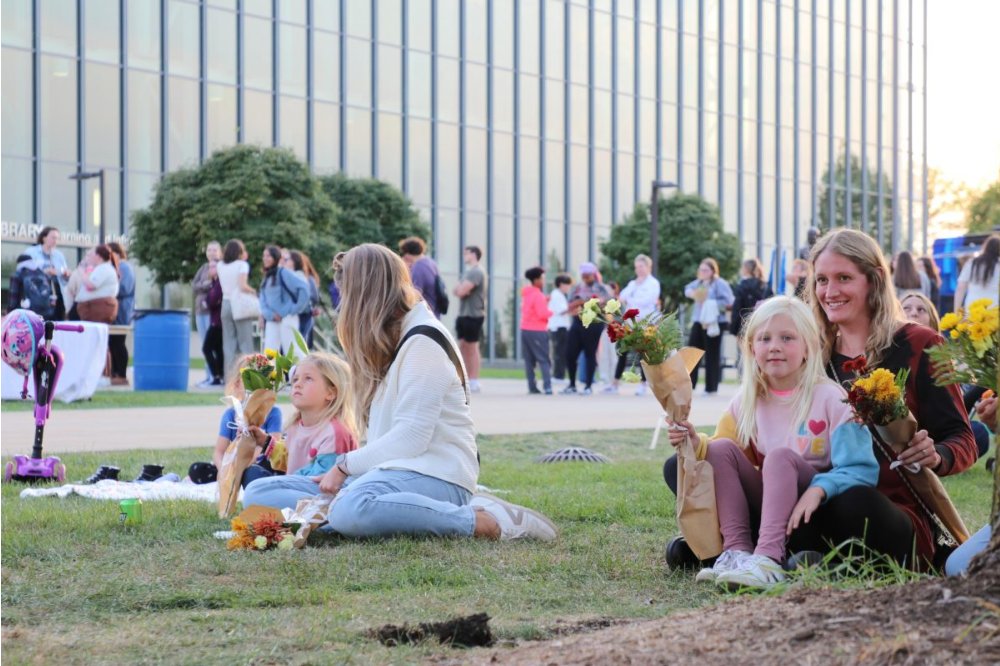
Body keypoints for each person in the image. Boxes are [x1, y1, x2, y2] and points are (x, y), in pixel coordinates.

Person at [241, 243, 557, 541]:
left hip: (437, 475)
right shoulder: (396, 341)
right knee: (260, 492)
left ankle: (483, 519)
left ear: (367, 296)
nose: (343, 306)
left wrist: (343, 466)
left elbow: (412, 437)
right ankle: (341, 513)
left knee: (351, 507)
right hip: (387, 473)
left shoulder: (424, 342)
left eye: (347, 295)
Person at [667, 297, 879, 589]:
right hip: (771, 502)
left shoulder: (833, 398)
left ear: (808, 347)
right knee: (718, 448)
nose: (774, 346)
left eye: (787, 338)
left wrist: (820, 488)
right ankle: (737, 553)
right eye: (764, 338)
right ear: (752, 348)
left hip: (818, 507)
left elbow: (862, 468)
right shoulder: (747, 400)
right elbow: (724, 459)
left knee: (779, 457)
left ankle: (767, 559)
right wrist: (693, 440)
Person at [806, 228, 977, 569]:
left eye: (843, 278)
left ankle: (813, 555)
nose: (830, 291)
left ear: (874, 279)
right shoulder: (811, 354)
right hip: (816, 495)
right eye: (821, 280)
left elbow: (963, 440)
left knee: (855, 503)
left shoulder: (921, 343)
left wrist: (937, 454)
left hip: (894, 511)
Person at [242, 353, 359, 489]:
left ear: (331, 393)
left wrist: (283, 483)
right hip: (294, 488)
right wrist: (265, 441)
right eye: (295, 379)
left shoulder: (335, 433)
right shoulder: (295, 425)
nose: (297, 384)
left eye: (308, 378)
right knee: (252, 474)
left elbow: (322, 479)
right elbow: (291, 459)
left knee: (257, 488)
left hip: (318, 496)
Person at [210, 354, 285, 484]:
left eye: (263, 380)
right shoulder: (230, 414)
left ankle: (246, 479)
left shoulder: (273, 413)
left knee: (256, 472)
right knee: (197, 470)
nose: (258, 386)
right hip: (233, 464)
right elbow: (219, 451)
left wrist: (242, 468)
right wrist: (224, 470)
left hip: (260, 463)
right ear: (238, 384)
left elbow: (272, 445)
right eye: (251, 380)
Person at [684, 258, 734, 396]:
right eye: (701, 270)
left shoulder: (719, 283)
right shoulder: (698, 283)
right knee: (692, 352)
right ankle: (689, 385)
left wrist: (711, 302)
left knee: (712, 354)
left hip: (714, 322)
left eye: (706, 270)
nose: (702, 272)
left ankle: (711, 388)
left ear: (713, 271)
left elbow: (729, 301)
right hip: (699, 320)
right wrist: (692, 293)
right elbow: (687, 289)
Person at [561, 263, 613, 396]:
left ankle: (588, 385)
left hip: (593, 324)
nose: (585, 277)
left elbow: (607, 304)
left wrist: (587, 302)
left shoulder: (601, 288)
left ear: (593, 274)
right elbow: (571, 303)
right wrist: (575, 306)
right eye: (583, 275)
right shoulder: (577, 287)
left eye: (588, 275)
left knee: (590, 353)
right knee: (569, 353)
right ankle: (572, 384)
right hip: (578, 322)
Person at [614, 255, 662, 396]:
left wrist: (632, 300)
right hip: (630, 323)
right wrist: (632, 299)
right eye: (637, 267)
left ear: (648, 267)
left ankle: (643, 384)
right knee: (622, 350)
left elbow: (648, 300)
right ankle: (615, 383)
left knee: (643, 353)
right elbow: (622, 297)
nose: (639, 270)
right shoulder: (633, 283)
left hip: (645, 323)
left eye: (641, 267)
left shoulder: (653, 283)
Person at [258, 245, 308, 355]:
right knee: (270, 354)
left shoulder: (283, 273)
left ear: (275, 257)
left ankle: (301, 372)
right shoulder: (266, 277)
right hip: (272, 320)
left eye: (269, 256)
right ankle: (271, 373)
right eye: (264, 256)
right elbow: (262, 301)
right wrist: (270, 315)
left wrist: (293, 309)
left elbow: (304, 288)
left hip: (287, 318)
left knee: (292, 351)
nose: (265, 258)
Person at [218, 239, 258, 375]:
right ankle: (248, 376)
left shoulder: (220, 265)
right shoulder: (242, 265)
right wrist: (254, 291)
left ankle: (230, 378)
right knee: (245, 342)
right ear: (239, 252)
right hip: (239, 305)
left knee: (229, 343)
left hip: (225, 304)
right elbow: (242, 286)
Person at [453, 246, 487, 394]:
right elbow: (456, 290)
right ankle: (464, 378)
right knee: (462, 347)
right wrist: (460, 289)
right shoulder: (469, 272)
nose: (464, 256)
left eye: (466, 253)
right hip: (464, 314)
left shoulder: (476, 272)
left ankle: (473, 380)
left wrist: (461, 289)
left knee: (472, 348)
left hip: (474, 315)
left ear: (474, 254)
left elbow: (460, 291)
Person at [519, 266, 553, 395]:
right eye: (542, 278)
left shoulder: (527, 294)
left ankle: (532, 387)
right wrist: (553, 312)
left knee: (529, 361)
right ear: (536, 279)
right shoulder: (538, 295)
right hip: (537, 331)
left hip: (525, 330)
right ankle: (547, 386)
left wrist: (545, 300)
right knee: (544, 359)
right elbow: (542, 313)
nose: (543, 281)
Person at [193, 241, 222, 386]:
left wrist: (205, 286)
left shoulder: (221, 267)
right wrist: (205, 285)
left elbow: (214, 287)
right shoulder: (204, 268)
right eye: (209, 249)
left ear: (220, 252)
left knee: (210, 345)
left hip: (212, 313)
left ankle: (215, 375)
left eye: (214, 250)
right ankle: (208, 375)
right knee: (204, 344)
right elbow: (194, 285)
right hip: (200, 311)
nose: (211, 252)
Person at [25, 226, 71, 318]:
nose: (55, 241)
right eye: (53, 237)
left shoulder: (59, 255)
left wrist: (66, 274)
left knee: (57, 323)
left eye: (57, 238)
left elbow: (65, 278)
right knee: (39, 322)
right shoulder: (31, 252)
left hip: (57, 293)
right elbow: (24, 272)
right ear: (44, 238)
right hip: (38, 293)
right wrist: (44, 272)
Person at [107, 242, 135, 386]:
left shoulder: (125, 267)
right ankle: (115, 373)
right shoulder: (116, 267)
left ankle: (122, 374)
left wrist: (111, 286)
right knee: (112, 343)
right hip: (115, 310)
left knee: (118, 342)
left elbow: (125, 288)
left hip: (122, 310)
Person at [398, 236, 444, 318]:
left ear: (408, 253)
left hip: (424, 315)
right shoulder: (431, 263)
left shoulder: (418, 267)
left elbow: (414, 294)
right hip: (435, 312)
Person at [75, 244, 120, 325]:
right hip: (93, 309)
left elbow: (91, 285)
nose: (89, 257)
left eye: (91, 255)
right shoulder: (101, 268)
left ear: (98, 256)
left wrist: (81, 272)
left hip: (98, 309)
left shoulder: (104, 268)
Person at [286, 250, 322, 348]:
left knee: (300, 345)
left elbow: (313, 297)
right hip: (299, 314)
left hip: (303, 314)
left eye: (287, 259)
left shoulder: (303, 277)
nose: (285, 261)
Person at [730, 257, 773, 339]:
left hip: (744, 323)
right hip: (763, 323)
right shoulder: (766, 286)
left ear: (746, 269)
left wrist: (733, 328)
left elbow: (737, 308)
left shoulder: (742, 286)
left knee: (745, 350)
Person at [954, 234, 1000, 310]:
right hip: (993, 306)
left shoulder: (971, 263)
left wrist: (956, 310)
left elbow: (960, 287)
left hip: (972, 305)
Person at [8, 254, 57, 319]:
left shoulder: (18, 274)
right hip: (45, 314)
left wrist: (10, 313)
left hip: (24, 315)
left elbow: (13, 297)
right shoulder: (43, 274)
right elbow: (51, 295)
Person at [201, 261, 225, 385]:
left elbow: (212, 300)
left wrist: (208, 302)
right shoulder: (214, 283)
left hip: (218, 322)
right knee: (217, 349)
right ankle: (219, 375)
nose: (210, 269)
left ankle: (217, 375)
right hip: (216, 319)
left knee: (206, 348)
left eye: (213, 266)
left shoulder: (220, 284)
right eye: (209, 266)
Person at [547, 273, 574, 383]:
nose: (568, 287)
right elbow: (562, 311)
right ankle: (558, 376)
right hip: (558, 327)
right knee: (560, 352)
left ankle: (559, 375)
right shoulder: (557, 295)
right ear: (561, 284)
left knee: (561, 352)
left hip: (561, 327)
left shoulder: (560, 295)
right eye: (567, 284)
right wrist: (575, 305)